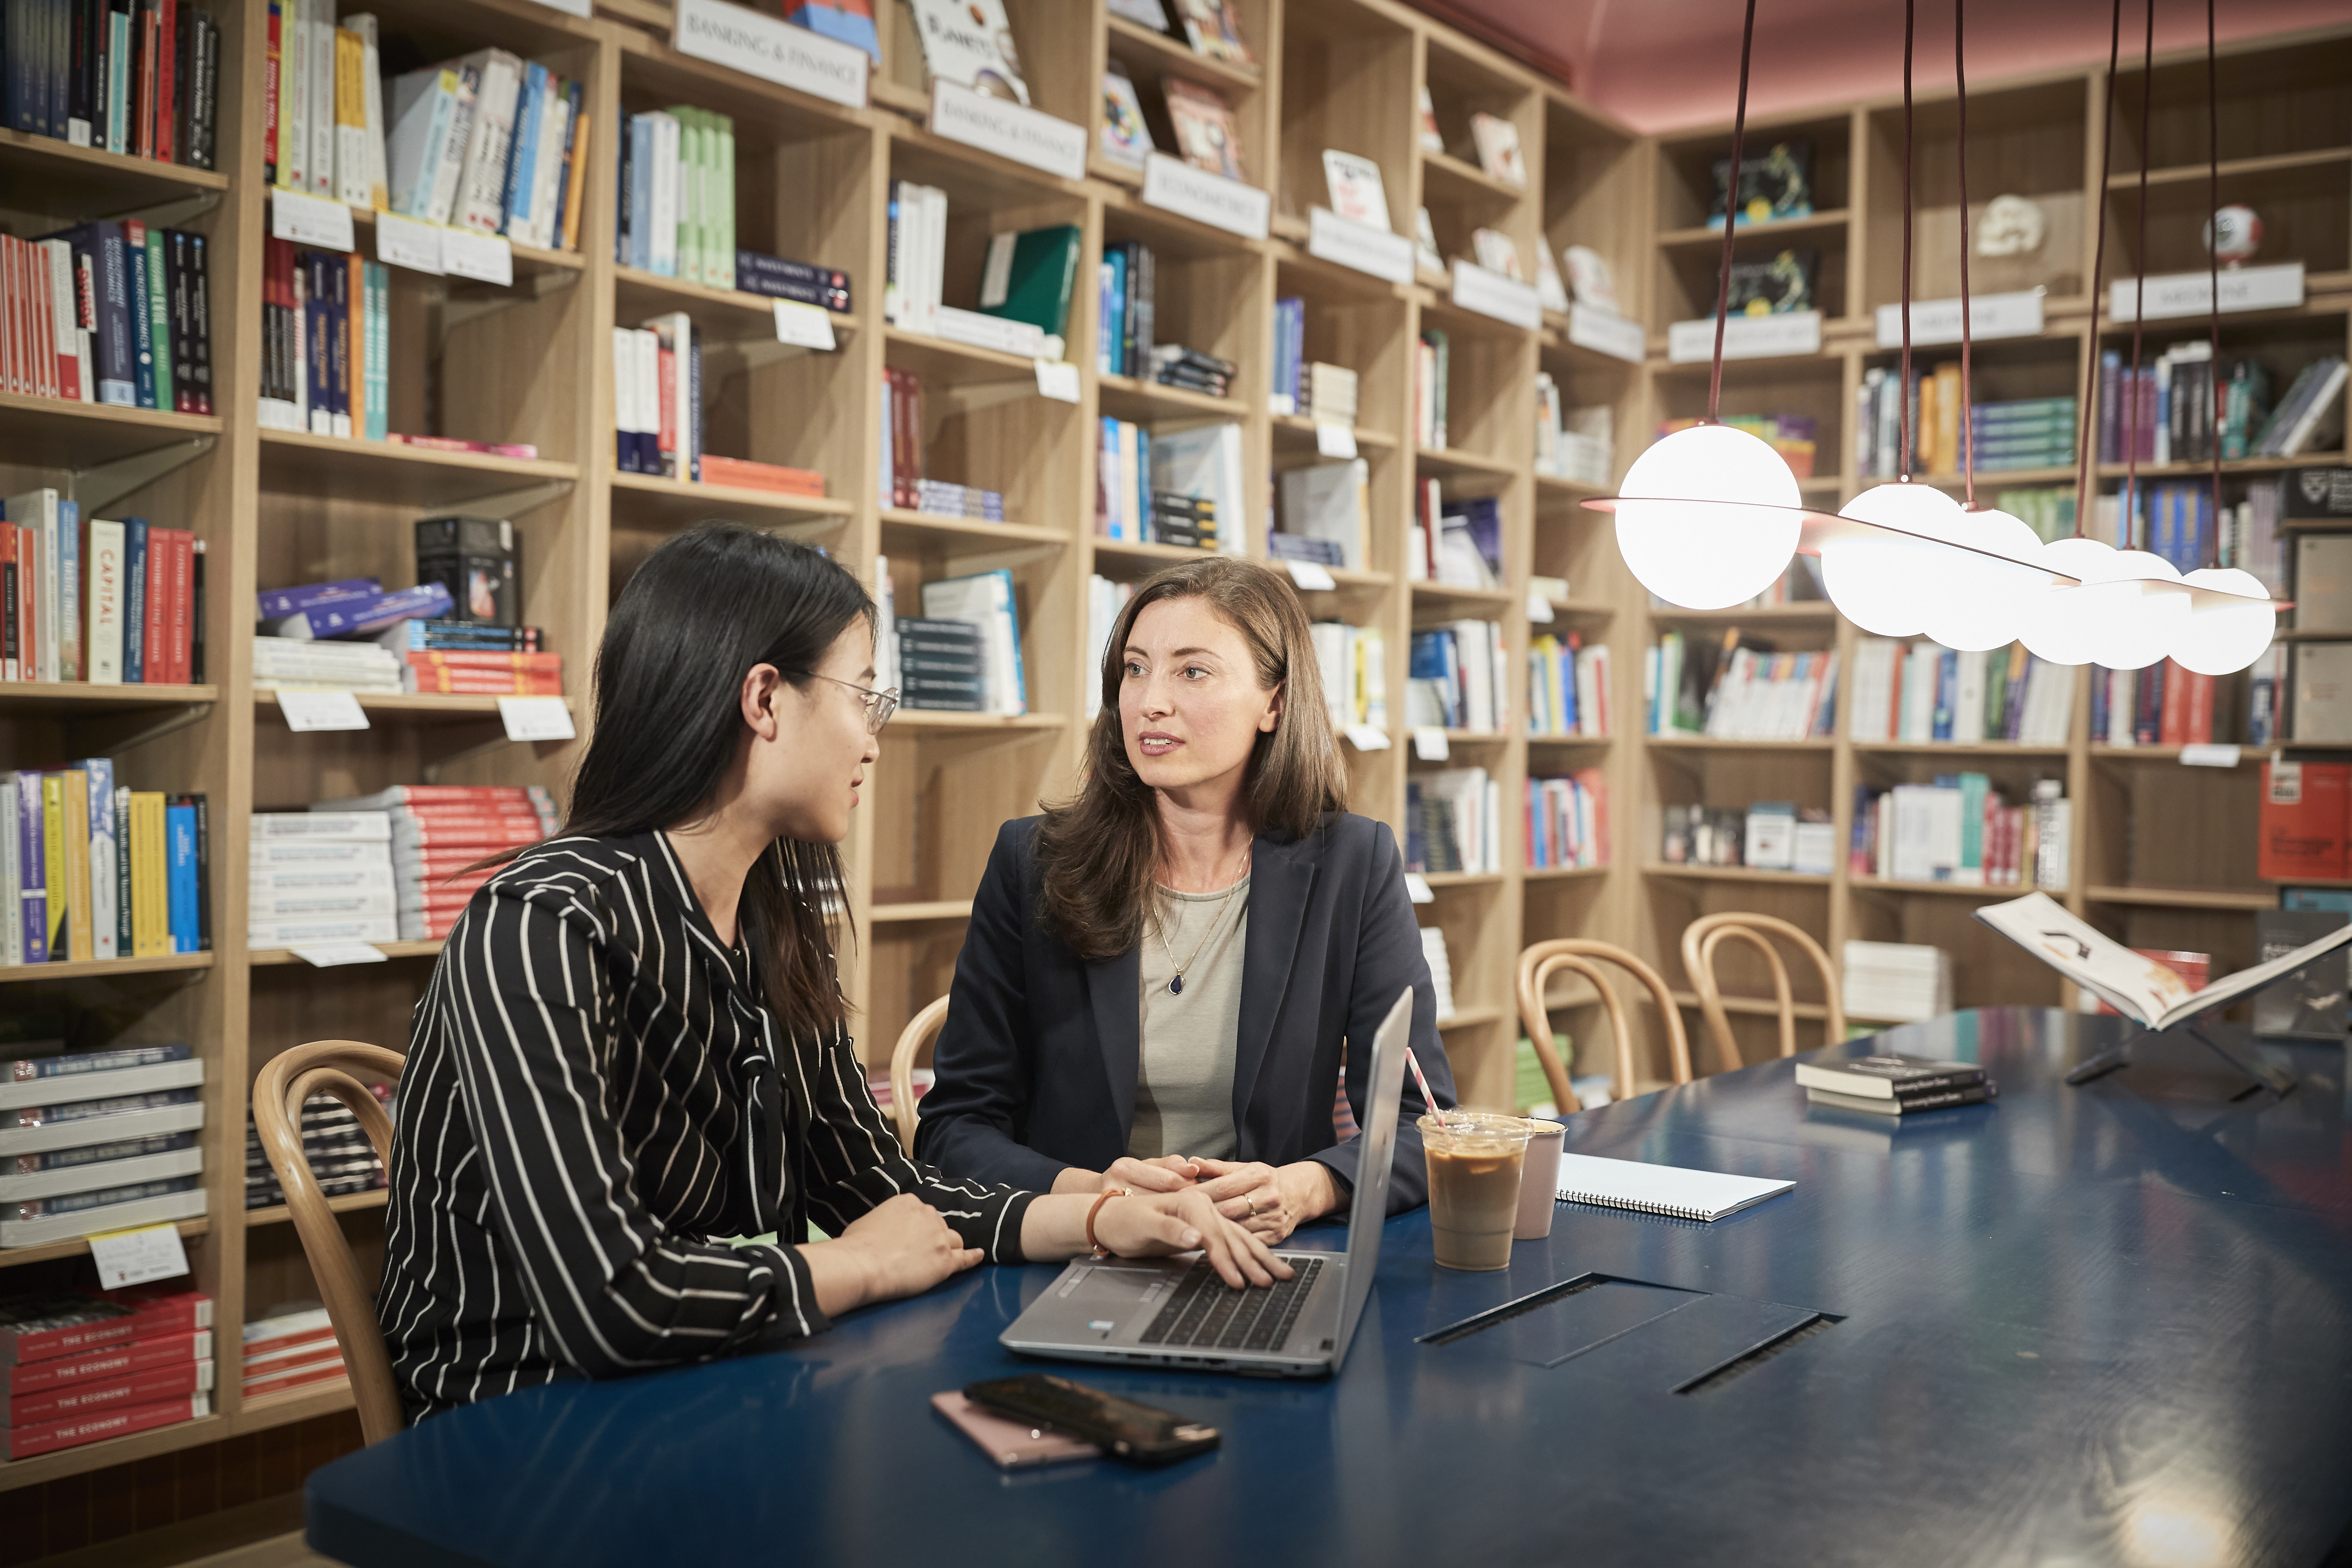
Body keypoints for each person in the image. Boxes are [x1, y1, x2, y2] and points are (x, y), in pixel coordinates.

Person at [375, 525, 1287, 1425]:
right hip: (520, 1424)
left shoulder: (771, 923)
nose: (872, 742)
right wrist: (858, 1265)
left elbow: (879, 1188)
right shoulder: (542, 923)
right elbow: (611, 1301)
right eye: (862, 699)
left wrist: (1103, 1217)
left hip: (712, 1380)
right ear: (765, 701)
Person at [916, 557, 1454, 1243]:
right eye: (1135, 670)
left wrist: (1306, 1186)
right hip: (1081, 1251)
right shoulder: (1033, 861)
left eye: (1192, 672)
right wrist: (1096, 1197)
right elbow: (954, 1128)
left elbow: (1422, 1122)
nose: (1150, 702)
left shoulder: (1354, 863)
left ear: (1274, 704)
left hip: (1270, 1250)